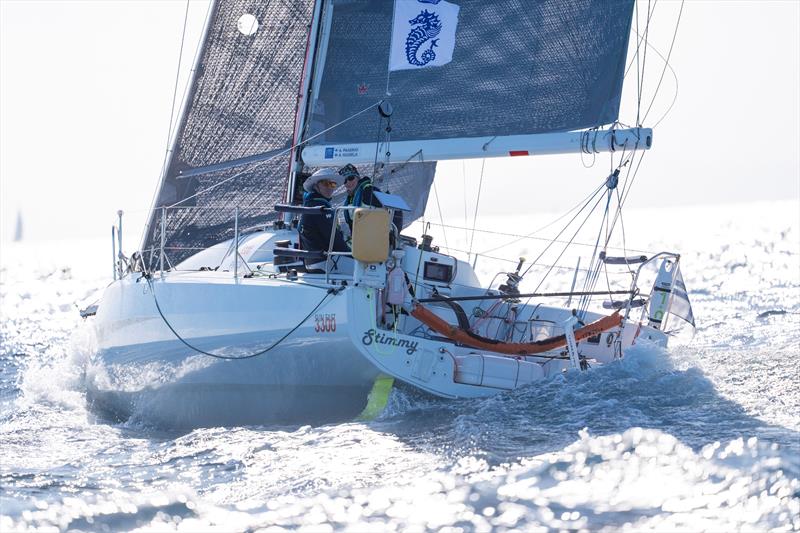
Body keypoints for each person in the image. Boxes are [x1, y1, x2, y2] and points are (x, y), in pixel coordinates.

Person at [298, 168, 350, 272]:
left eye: (333, 184)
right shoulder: (320, 208)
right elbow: (334, 240)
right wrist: (351, 253)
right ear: (316, 186)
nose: (330, 188)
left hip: (314, 261)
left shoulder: (311, 204)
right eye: (325, 184)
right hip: (325, 263)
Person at [339, 164, 403, 234]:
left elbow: (396, 207)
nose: (348, 182)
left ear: (357, 177)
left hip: (377, 238)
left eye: (351, 178)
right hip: (360, 239)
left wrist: (393, 233)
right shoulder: (350, 198)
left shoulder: (368, 191)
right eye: (345, 181)